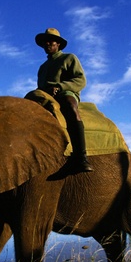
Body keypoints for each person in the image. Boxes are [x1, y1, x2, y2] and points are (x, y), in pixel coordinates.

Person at [35, 28, 93, 173]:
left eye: (51, 41)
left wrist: (60, 87)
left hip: (65, 93)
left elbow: (81, 80)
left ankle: (81, 157)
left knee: (69, 106)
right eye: (45, 41)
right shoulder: (42, 68)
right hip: (46, 97)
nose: (47, 44)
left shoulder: (69, 58)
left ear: (58, 44)